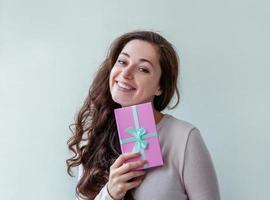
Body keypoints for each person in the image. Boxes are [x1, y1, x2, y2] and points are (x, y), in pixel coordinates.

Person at [66, 30, 220, 200]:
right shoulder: (95, 137)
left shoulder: (184, 138)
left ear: (159, 87)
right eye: (122, 61)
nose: (126, 73)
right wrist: (110, 193)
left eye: (143, 69)